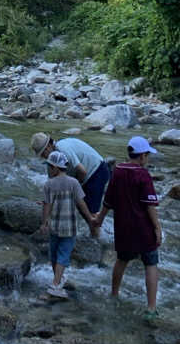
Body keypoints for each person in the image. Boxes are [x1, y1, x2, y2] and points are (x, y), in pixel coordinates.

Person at [93, 135, 162, 320]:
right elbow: (150, 205)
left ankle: (114, 294)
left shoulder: (117, 171)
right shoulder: (143, 175)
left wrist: (99, 219)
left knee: (121, 260)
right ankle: (151, 307)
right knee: (151, 263)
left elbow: (108, 200)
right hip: (143, 229)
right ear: (141, 156)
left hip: (123, 228)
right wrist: (157, 228)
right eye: (147, 156)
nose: (147, 160)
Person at [41, 149, 96, 299]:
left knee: (54, 255)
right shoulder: (74, 183)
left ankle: (55, 283)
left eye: (49, 167)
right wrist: (90, 218)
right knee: (63, 256)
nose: (48, 169)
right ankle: (57, 283)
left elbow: (47, 205)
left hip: (55, 227)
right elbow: (81, 202)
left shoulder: (49, 184)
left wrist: (44, 223)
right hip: (70, 227)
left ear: (55, 168)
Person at [30, 131, 111, 219]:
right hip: (84, 175)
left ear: (48, 146)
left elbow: (82, 171)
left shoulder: (63, 149)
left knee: (91, 214)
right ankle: (91, 229)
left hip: (96, 171)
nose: (43, 157)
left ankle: (96, 230)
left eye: (42, 153)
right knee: (82, 210)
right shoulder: (52, 160)